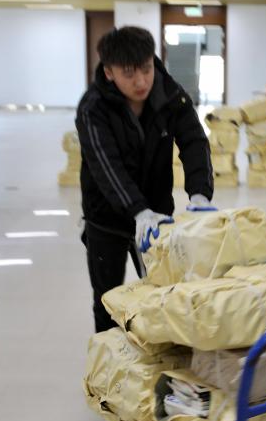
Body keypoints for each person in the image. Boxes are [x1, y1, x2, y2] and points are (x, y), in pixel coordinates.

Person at [76, 26, 214, 332]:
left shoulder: (171, 95)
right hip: (106, 219)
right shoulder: (93, 107)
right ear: (109, 72)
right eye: (129, 74)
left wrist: (200, 193)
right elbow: (106, 166)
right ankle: (110, 359)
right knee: (108, 301)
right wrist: (138, 210)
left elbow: (194, 141)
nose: (141, 81)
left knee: (163, 296)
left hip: (158, 216)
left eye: (146, 69)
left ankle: (157, 356)